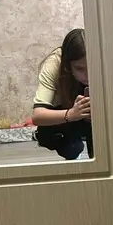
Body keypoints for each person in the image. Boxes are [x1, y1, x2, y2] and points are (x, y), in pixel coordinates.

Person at [32, 29, 93, 160]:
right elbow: (37, 116)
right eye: (80, 68)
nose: (87, 75)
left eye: (91, 67)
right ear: (67, 64)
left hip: (91, 119)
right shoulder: (55, 63)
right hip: (65, 114)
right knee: (71, 149)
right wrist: (71, 114)